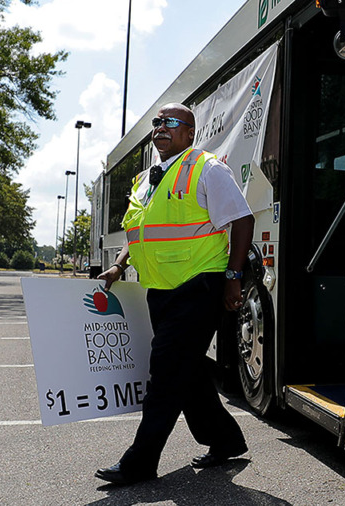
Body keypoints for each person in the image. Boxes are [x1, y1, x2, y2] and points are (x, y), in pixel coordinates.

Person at [94, 102, 255, 486]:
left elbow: (243, 219)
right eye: (156, 123)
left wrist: (233, 277)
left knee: (166, 373)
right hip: (161, 291)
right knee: (190, 370)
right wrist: (118, 264)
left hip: (199, 286)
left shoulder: (207, 168)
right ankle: (226, 440)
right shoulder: (144, 181)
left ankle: (140, 462)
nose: (160, 128)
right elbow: (138, 233)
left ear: (189, 133)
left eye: (170, 123)